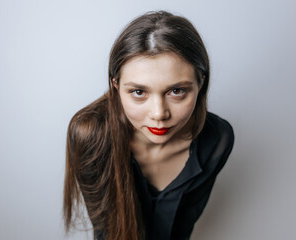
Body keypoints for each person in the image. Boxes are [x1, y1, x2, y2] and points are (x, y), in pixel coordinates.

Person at [63, 10, 234, 240]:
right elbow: (107, 233)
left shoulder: (217, 140)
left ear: (200, 83)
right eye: (139, 92)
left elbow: (181, 230)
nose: (158, 114)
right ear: (116, 85)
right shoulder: (89, 135)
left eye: (177, 91)